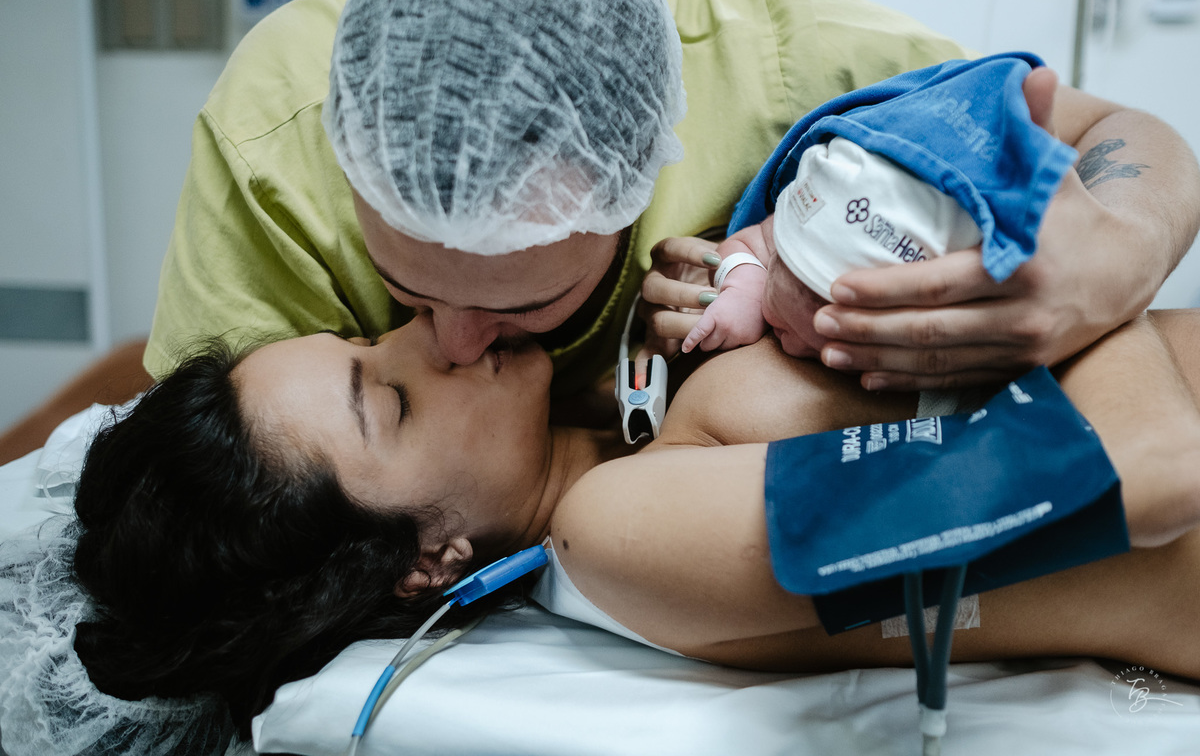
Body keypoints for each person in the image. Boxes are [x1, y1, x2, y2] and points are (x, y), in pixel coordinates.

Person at [25, 303, 1199, 751]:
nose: (433, 331)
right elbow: (1143, 478)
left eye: (365, 336)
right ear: (421, 562)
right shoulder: (616, 530)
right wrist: (1061, 276)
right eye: (389, 395)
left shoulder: (637, 412)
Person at [145, 0, 1200, 405]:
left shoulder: (784, 61)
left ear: (652, 163)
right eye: (404, 291)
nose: (451, 345)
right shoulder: (273, 145)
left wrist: (1124, 244)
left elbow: (1102, 125)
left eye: (529, 303)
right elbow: (222, 511)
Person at [680, 53, 1073, 362]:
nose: (794, 348)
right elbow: (749, 245)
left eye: (831, 341)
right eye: (784, 283)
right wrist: (745, 287)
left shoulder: (948, 316)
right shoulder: (793, 224)